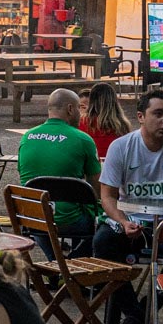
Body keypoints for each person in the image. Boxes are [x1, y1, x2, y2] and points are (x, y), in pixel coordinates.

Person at [94, 89, 163, 324]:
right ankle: (136, 315)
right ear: (141, 116)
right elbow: (107, 197)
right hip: (132, 223)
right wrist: (122, 222)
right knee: (103, 243)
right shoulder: (121, 147)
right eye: (158, 114)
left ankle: (139, 315)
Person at [16, 88, 101, 243]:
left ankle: (53, 260)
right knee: (102, 220)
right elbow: (96, 190)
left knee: (42, 216)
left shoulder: (27, 138)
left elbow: (24, 178)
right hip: (71, 222)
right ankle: (74, 260)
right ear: (70, 109)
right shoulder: (83, 139)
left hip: (33, 219)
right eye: (78, 108)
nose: (80, 114)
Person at [80, 82, 132, 161]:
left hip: (89, 169)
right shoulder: (123, 125)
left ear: (91, 101)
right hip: (114, 167)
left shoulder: (82, 122)